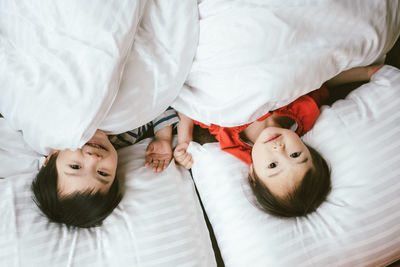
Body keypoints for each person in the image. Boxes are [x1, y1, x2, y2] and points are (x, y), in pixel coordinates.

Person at [174, 65, 382, 217]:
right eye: (295, 155)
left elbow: (191, 109)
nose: (279, 149)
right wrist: (366, 73)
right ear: (309, 150)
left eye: (273, 165)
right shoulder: (304, 110)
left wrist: (184, 141)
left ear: (253, 173)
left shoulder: (229, 137)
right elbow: (325, 77)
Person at [31, 107, 178, 228]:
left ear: (51, 157)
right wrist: (163, 137)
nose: (93, 158)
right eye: (102, 173)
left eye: (75, 166)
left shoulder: (52, 123)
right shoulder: (127, 134)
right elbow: (159, 105)